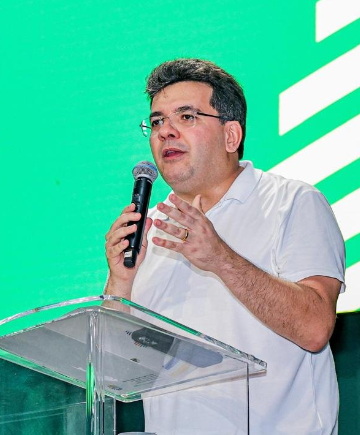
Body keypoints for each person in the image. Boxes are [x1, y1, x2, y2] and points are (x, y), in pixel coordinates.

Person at [104, 59, 345, 435]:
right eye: (157, 122)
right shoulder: (148, 231)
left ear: (231, 136)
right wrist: (119, 281)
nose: (166, 132)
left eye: (186, 117)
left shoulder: (291, 202)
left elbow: (314, 328)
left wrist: (219, 257)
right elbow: (113, 372)